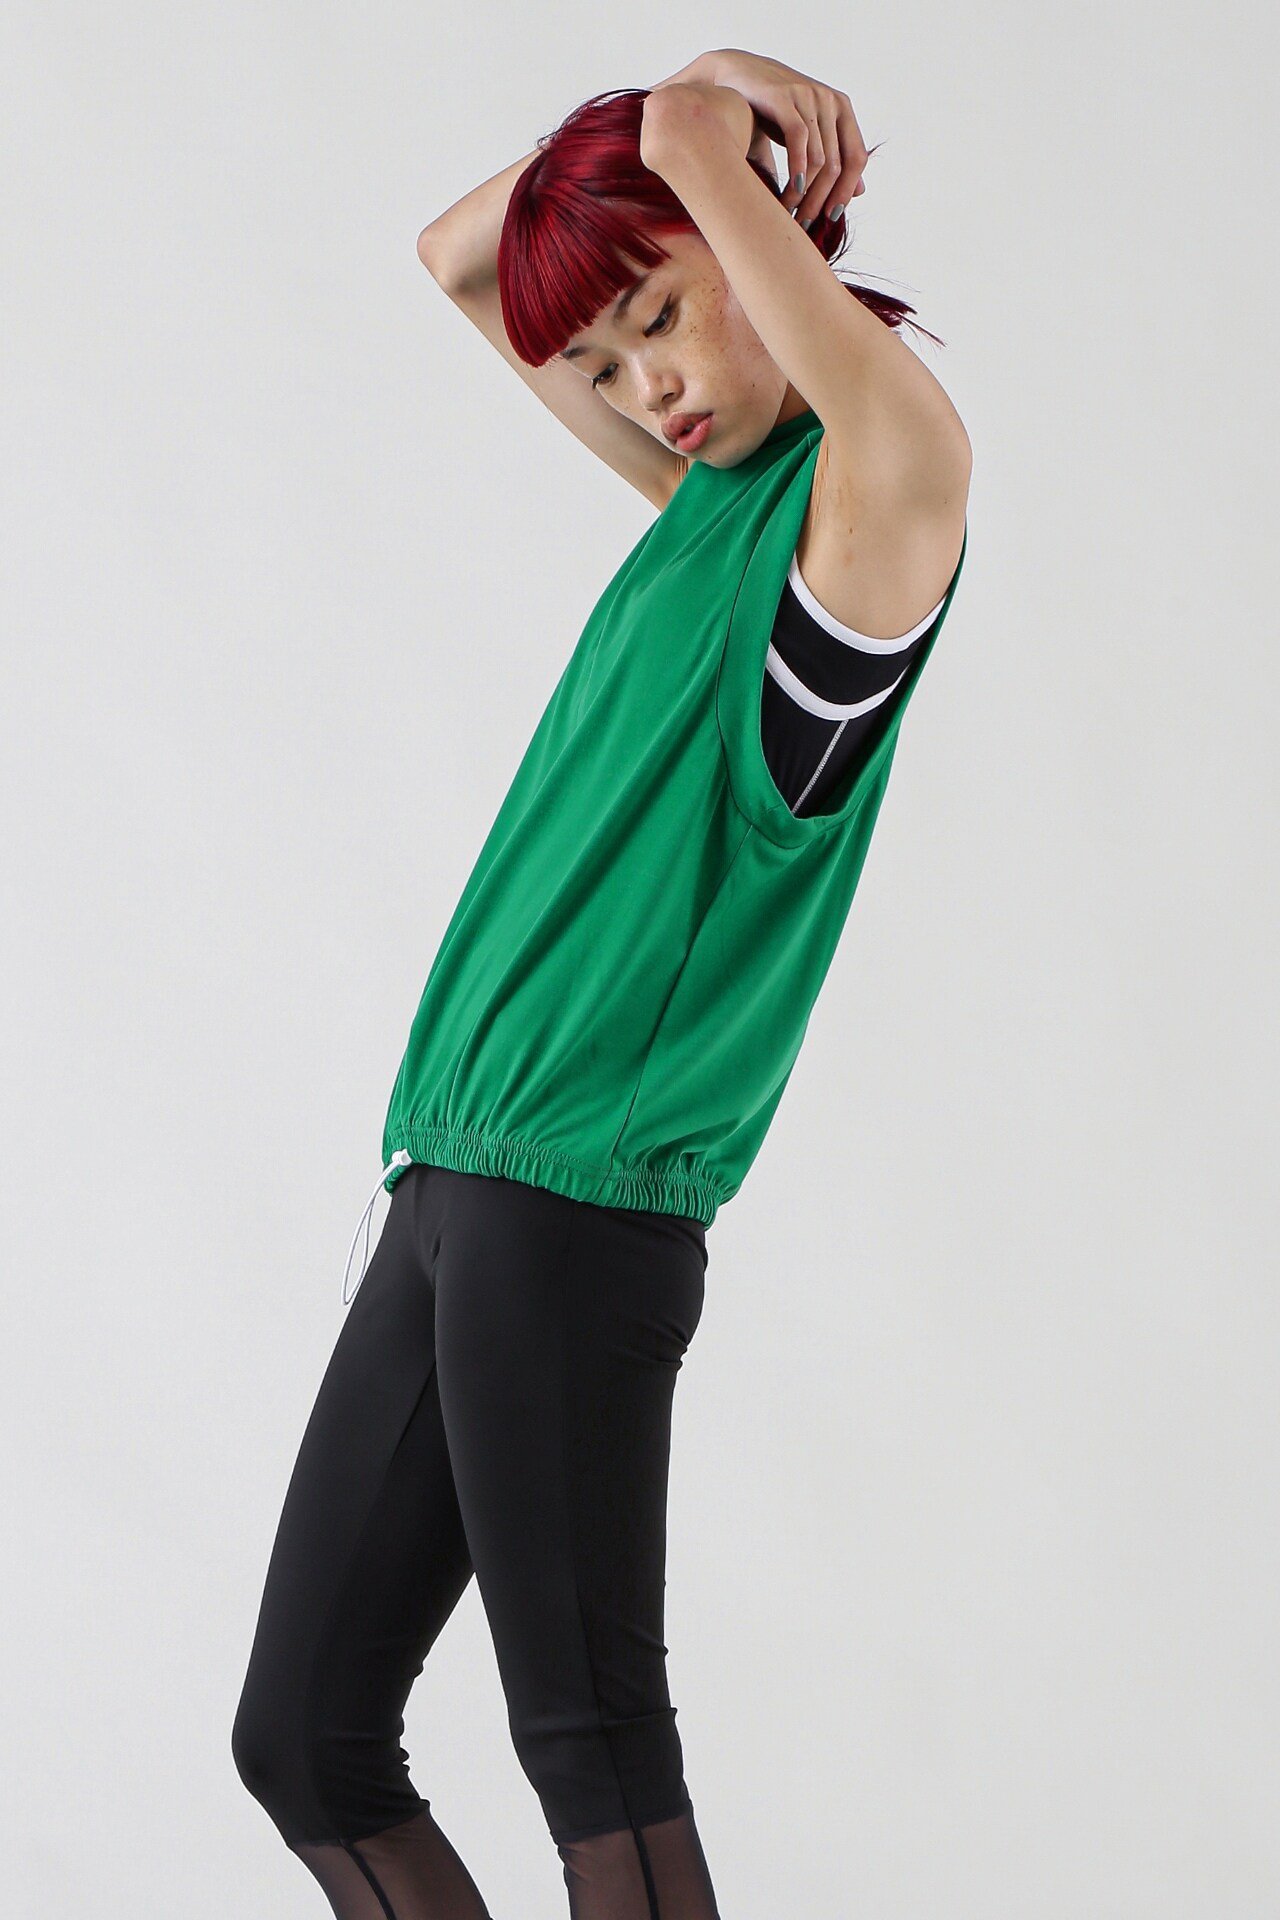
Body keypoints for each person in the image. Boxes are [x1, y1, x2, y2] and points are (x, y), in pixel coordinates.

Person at [231, 49, 971, 1920]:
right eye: (609, 361)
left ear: (761, 237)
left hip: (577, 1210)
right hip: (456, 1177)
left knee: (597, 1773)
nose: (648, 390)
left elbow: (776, 318)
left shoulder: (875, 501)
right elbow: (458, 255)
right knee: (304, 1738)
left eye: (662, 319)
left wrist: (704, 132)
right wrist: (695, 94)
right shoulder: (704, 499)